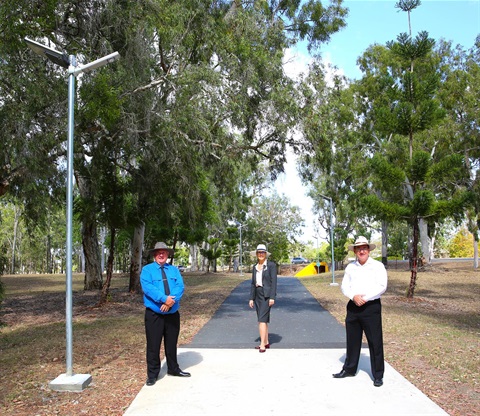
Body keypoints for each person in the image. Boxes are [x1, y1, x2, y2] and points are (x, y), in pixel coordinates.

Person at [332, 236, 387, 387]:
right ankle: (349, 368)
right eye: (358, 248)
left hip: (371, 307)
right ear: (355, 251)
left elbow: (382, 285)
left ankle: (377, 375)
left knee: (375, 341)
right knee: (352, 339)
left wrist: (365, 298)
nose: (361, 251)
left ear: (368, 250)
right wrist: (353, 297)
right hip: (353, 306)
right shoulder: (350, 267)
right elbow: (344, 286)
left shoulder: (377, 266)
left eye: (364, 248)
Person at [140, 242, 191, 386]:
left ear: (167, 254)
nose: (161, 254)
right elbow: (148, 288)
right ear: (154, 255)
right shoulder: (147, 270)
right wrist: (164, 299)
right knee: (153, 345)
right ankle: (152, 374)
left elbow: (180, 286)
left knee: (171, 343)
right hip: (154, 314)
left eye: (164, 252)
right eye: (158, 252)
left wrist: (170, 302)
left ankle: (173, 369)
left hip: (172, 313)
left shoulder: (174, 270)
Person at [249, 244, 277, 352]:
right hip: (257, 295)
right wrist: (251, 298)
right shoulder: (255, 267)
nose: (261, 254)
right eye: (259, 252)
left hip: (267, 295)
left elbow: (273, 282)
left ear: (266, 254)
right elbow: (253, 283)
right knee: (263, 320)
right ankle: (266, 342)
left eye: (263, 252)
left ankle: (262, 345)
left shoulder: (271, 266)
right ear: (256, 254)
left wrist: (272, 297)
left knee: (261, 319)